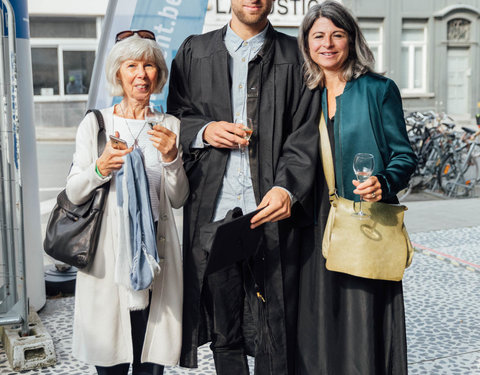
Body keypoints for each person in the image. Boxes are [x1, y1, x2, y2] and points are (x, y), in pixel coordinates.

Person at [167, 0, 320, 374]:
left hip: (270, 210)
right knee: (225, 327)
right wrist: (204, 131)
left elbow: (306, 133)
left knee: (277, 324)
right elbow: (175, 116)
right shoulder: (194, 51)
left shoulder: (295, 55)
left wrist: (287, 188)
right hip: (213, 210)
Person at [296, 2, 417, 374]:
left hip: (362, 217)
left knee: (361, 315)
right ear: (306, 43)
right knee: (316, 319)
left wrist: (384, 182)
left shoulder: (378, 89)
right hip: (312, 220)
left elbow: (404, 156)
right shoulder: (302, 92)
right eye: (318, 36)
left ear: (351, 40)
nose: (327, 44)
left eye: (337, 35)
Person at [66, 30, 189, 375]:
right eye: (131, 65)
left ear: (158, 73)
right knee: (112, 362)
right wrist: (99, 168)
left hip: (156, 259)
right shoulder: (96, 124)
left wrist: (171, 158)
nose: (141, 73)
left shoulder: (168, 125)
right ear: (118, 73)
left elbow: (179, 199)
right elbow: (74, 192)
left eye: (149, 65)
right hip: (109, 265)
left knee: (151, 363)